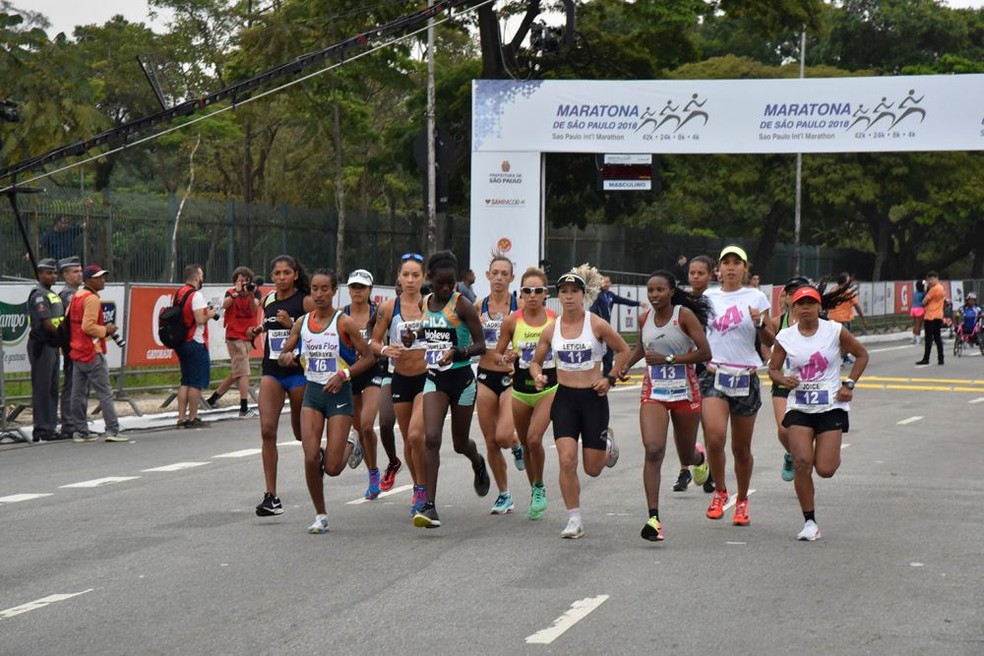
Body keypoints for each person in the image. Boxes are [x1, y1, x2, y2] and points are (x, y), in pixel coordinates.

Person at [529, 265, 631, 539]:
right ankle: (574, 518)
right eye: (564, 292)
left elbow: (624, 350)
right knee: (566, 460)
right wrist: (538, 375)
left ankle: (606, 443)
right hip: (564, 399)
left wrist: (609, 378)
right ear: (558, 296)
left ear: (584, 295)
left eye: (574, 291)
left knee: (593, 469)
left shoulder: (595, 323)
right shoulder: (551, 331)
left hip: (593, 399)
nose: (569, 296)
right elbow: (536, 362)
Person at [275, 269, 374, 533]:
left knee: (331, 468)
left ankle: (353, 442)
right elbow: (286, 351)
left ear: (333, 291)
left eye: (324, 289)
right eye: (314, 290)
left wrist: (344, 375)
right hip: (313, 394)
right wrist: (286, 357)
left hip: (339, 395)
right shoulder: (302, 323)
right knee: (309, 457)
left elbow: (368, 357)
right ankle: (321, 514)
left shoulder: (345, 323)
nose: (318, 295)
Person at [768, 285, 869, 541]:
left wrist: (849, 384)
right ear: (793, 307)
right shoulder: (786, 336)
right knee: (802, 463)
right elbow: (773, 369)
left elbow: (861, 355)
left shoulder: (834, 330)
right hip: (799, 406)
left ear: (819, 307)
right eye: (801, 304)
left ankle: (828, 453)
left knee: (825, 469)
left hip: (829, 407)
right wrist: (783, 379)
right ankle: (810, 522)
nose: (806, 308)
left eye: (811, 303)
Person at [622, 270, 712, 542]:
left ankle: (698, 461)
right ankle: (653, 518)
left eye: (660, 290)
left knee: (685, 456)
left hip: (685, 390)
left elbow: (705, 352)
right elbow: (641, 348)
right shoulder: (644, 318)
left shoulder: (683, 315)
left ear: (672, 291)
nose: (654, 295)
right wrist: (625, 365)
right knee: (653, 449)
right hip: (655, 392)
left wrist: (670, 360)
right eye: (650, 290)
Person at [412, 250, 490, 529]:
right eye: (440, 283)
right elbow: (430, 330)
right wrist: (414, 336)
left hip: (462, 381)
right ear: (430, 279)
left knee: (459, 443)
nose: (446, 288)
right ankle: (429, 506)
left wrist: (457, 352)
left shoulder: (463, 304)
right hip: (435, 378)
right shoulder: (425, 303)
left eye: (451, 283)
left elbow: (481, 346)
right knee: (431, 438)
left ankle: (477, 460)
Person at [701, 245, 773, 526]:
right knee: (715, 437)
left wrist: (759, 323)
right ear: (718, 269)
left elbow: (770, 340)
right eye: (726, 263)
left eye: (736, 263)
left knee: (741, 449)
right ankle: (720, 491)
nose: (731, 268)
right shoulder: (707, 297)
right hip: (714, 374)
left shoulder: (756, 296)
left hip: (745, 375)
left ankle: (742, 500)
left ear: (745, 268)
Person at [246, 255, 314, 517]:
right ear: (272, 276)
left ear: (295, 275)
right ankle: (271, 496)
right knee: (267, 430)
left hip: (299, 372)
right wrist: (259, 329)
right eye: (277, 273)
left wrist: (293, 326)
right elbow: (270, 322)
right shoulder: (269, 300)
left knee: (300, 435)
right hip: (273, 371)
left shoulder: (306, 301)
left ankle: (318, 455)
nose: (282, 277)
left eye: (287, 273)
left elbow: (318, 333)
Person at [495, 267, 557, 520]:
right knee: (528, 445)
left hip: (549, 388)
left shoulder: (555, 319)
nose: (532, 295)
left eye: (538, 291)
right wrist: (506, 358)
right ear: (520, 293)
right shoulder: (512, 321)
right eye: (527, 291)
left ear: (546, 294)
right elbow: (498, 353)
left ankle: (540, 487)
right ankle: (535, 488)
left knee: (533, 439)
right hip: (520, 390)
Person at [371, 253, 428, 515]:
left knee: (417, 435)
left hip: (427, 378)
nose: (410, 280)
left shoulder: (431, 305)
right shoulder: (388, 308)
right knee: (408, 438)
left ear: (423, 277)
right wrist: (384, 350)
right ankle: (418, 486)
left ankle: (422, 488)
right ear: (399, 277)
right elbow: (374, 341)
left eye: (416, 275)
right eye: (406, 274)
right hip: (400, 378)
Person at [475, 253, 525, 515]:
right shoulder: (478, 306)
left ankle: (517, 445)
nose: (499, 278)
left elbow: (533, 338)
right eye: (495, 273)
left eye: (504, 274)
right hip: (484, 376)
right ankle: (504, 494)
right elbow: (466, 339)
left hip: (510, 378)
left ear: (512, 278)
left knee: (503, 435)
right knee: (490, 441)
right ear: (487, 275)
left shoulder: (520, 307)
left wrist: (519, 353)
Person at [343, 269, 390, 500]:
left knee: (367, 423)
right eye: (353, 287)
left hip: (373, 371)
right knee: (360, 428)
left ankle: (374, 476)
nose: (357, 291)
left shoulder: (378, 313)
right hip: (350, 374)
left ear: (370, 290)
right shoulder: (341, 315)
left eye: (362, 287)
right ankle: (371, 468)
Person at [67, 265, 127, 442]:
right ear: (88, 280)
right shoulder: (91, 299)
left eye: (104, 276)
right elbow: (88, 327)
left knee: (77, 393)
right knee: (105, 392)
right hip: (92, 351)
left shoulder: (76, 296)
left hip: (77, 351)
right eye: (99, 277)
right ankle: (113, 430)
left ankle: (80, 431)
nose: (103, 280)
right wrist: (106, 329)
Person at [675, 254, 716, 494]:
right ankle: (684, 469)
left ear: (711, 275)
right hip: (685, 364)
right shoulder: (683, 300)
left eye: (701, 273)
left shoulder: (716, 301)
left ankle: (709, 468)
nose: (695, 277)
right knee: (682, 422)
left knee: (708, 424)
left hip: (709, 365)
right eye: (692, 272)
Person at [770, 277, 811, 484]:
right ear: (785, 297)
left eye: (798, 292)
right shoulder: (778, 322)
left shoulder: (818, 321)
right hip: (783, 382)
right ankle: (791, 455)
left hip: (810, 384)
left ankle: (801, 456)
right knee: (783, 429)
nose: (793, 296)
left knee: (806, 432)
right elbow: (765, 341)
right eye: (789, 292)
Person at [206, 267, 261, 417]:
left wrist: (249, 293)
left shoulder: (255, 292)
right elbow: (224, 305)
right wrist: (236, 293)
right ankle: (244, 408)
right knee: (243, 372)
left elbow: (254, 308)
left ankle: (212, 399)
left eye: (245, 280)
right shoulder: (231, 293)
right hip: (234, 336)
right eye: (239, 280)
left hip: (248, 336)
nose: (243, 283)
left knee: (238, 371)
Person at [174, 264, 218, 429]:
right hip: (195, 340)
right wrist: (210, 314)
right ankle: (193, 417)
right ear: (196, 277)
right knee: (195, 382)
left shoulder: (179, 292)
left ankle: (181, 418)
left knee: (185, 380)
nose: (202, 278)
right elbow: (200, 319)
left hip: (181, 341)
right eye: (201, 275)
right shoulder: (196, 295)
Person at [27, 258, 65, 442]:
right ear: (40, 274)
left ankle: (50, 427)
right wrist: (61, 336)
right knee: (42, 387)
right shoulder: (39, 295)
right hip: (43, 344)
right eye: (49, 273)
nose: (53, 276)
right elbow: (46, 322)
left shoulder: (52, 293)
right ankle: (41, 428)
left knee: (52, 386)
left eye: (55, 273)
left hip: (53, 344)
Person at [589, 275, 641, 377]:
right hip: (597, 328)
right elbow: (592, 310)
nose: (606, 284)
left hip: (607, 329)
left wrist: (638, 303)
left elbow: (624, 301)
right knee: (595, 352)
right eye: (603, 282)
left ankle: (607, 376)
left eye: (608, 282)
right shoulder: (597, 295)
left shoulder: (610, 295)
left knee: (609, 352)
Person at [57, 256, 84, 440]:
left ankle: (75, 421)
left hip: (78, 346)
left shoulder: (77, 293)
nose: (80, 274)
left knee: (78, 385)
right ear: (66, 275)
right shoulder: (68, 295)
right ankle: (69, 422)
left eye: (80, 270)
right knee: (72, 385)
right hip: (73, 346)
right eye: (75, 271)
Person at [826, 272, 867, 365]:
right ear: (845, 282)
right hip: (844, 320)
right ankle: (841, 359)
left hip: (832, 319)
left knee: (834, 341)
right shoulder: (848, 292)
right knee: (845, 342)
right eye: (848, 280)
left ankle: (839, 358)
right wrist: (863, 318)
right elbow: (857, 306)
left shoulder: (833, 291)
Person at [916, 271, 945, 366]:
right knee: (937, 338)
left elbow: (924, 301)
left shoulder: (933, 289)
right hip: (939, 315)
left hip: (930, 316)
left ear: (937, 278)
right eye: (929, 280)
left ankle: (926, 358)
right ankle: (941, 358)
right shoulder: (942, 288)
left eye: (932, 279)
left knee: (928, 339)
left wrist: (926, 291)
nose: (930, 281)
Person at [910, 279, 925, 345]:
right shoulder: (923, 293)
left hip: (913, 309)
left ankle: (914, 337)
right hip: (920, 309)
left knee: (915, 324)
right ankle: (918, 339)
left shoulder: (915, 293)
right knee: (919, 325)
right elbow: (924, 302)